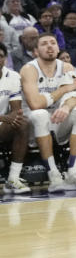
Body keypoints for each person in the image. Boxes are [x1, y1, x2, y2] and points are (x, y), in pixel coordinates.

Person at [21, 33, 76, 191]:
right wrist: (63, 89)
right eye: (44, 44)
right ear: (35, 51)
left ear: (58, 47)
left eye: (53, 43)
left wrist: (66, 107)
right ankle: (54, 176)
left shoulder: (67, 67)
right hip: (31, 125)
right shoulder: (29, 69)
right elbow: (36, 104)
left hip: (58, 119)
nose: (49, 46)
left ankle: (74, 174)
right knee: (41, 114)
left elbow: (75, 95)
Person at [0, 63, 30, 193]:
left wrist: (11, 118)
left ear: (5, 59)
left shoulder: (12, 76)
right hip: (2, 119)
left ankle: (13, 178)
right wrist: (3, 118)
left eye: (1, 55)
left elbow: (16, 110)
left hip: (2, 123)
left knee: (22, 123)